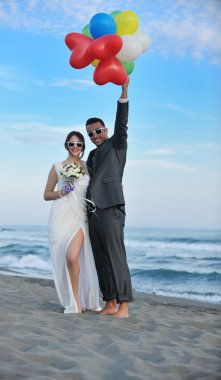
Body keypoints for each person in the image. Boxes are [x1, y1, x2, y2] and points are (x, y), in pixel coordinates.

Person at [86, 77, 134, 318]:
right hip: (92, 213)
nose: (94, 135)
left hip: (111, 209)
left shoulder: (116, 144)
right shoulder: (91, 156)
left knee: (116, 258)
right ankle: (110, 303)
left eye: (97, 131)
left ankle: (123, 306)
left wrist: (123, 94)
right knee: (101, 259)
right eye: (90, 134)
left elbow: (122, 123)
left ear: (105, 130)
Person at [44, 131, 101, 314]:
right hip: (61, 216)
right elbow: (46, 194)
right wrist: (63, 191)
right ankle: (74, 303)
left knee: (72, 256)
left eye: (79, 144)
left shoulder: (87, 166)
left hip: (80, 216)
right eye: (72, 143)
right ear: (66, 145)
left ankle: (79, 300)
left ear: (83, 147)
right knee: (64, 259)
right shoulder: (57, 166)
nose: (75, 147)